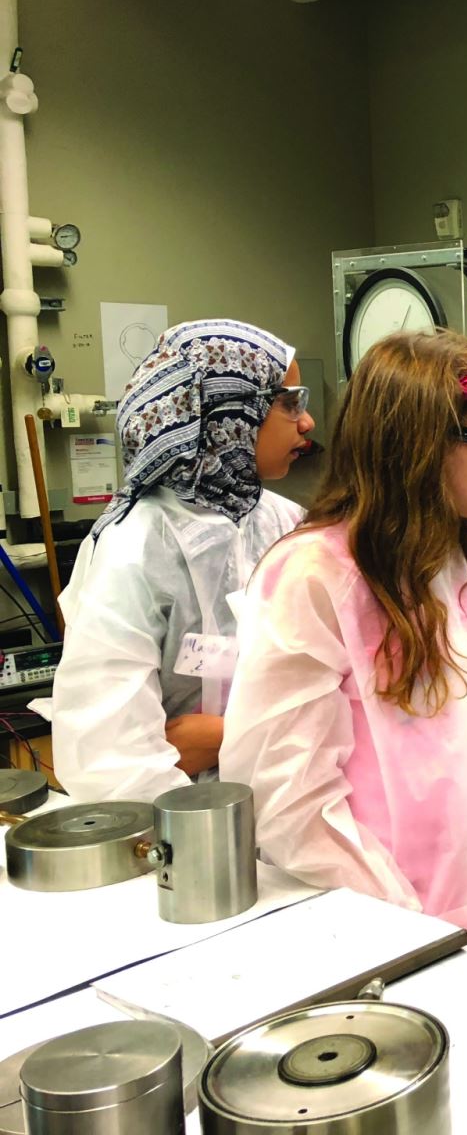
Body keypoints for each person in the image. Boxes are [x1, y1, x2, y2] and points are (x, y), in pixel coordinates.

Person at [221, 330, 467, 965]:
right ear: (423, 449)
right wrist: (421, 940)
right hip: (369, 934)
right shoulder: (316, 577)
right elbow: (288, 794)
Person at [49, 319, 313, 802]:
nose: (307, 421)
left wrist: (221, 736)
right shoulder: (136, 547)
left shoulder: (287, 523)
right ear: (227, 411)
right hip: (180, 834)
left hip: (292, 802)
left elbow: (333, 695)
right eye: (289, 401)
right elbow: (109, 755)